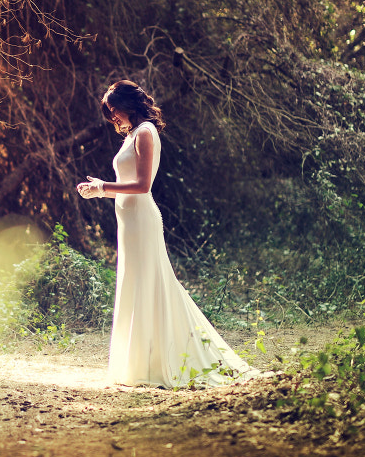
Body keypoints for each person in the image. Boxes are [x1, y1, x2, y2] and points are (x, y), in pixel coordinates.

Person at [77, 80, 261, 388]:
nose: (112, 118)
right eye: (109, 114)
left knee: (153, 284)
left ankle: (167, 360)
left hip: (142, 221)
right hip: (129, 222)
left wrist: (104, 186)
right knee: (136, 284)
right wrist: (100, 192)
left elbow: (142, 185)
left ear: (128, 104)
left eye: (114, 110)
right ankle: (139, 363)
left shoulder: (146, 133)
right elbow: (127, 185)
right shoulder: (133, 134)